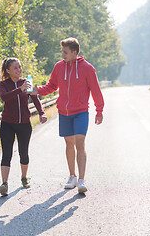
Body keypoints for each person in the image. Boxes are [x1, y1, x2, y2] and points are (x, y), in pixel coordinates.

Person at [33, 37, 104, 193]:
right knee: (69, 144)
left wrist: (99, 110)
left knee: (80, 142)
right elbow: (52, 85)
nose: (63, 54)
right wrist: (38, 90)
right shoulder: (59, 67)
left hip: (80, 112)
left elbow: (95, 90)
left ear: (74, 52)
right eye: (62, 51)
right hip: (64, 112)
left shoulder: (87, 68)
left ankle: (81, 180)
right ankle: (72, 176)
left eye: (65, 52)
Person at [0, 57, 47, 196]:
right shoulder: (3, 84)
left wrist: (41, 113)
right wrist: (20, 90)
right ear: (8, 71)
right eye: (15, 68)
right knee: (6, 153)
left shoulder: (26, 82)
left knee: (23, 152)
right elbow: (4, 97)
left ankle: (24, 178)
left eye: (19, 67)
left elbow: (35, 99)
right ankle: (4, 183)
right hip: (7, 124)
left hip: (24, 123)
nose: (19, 70)